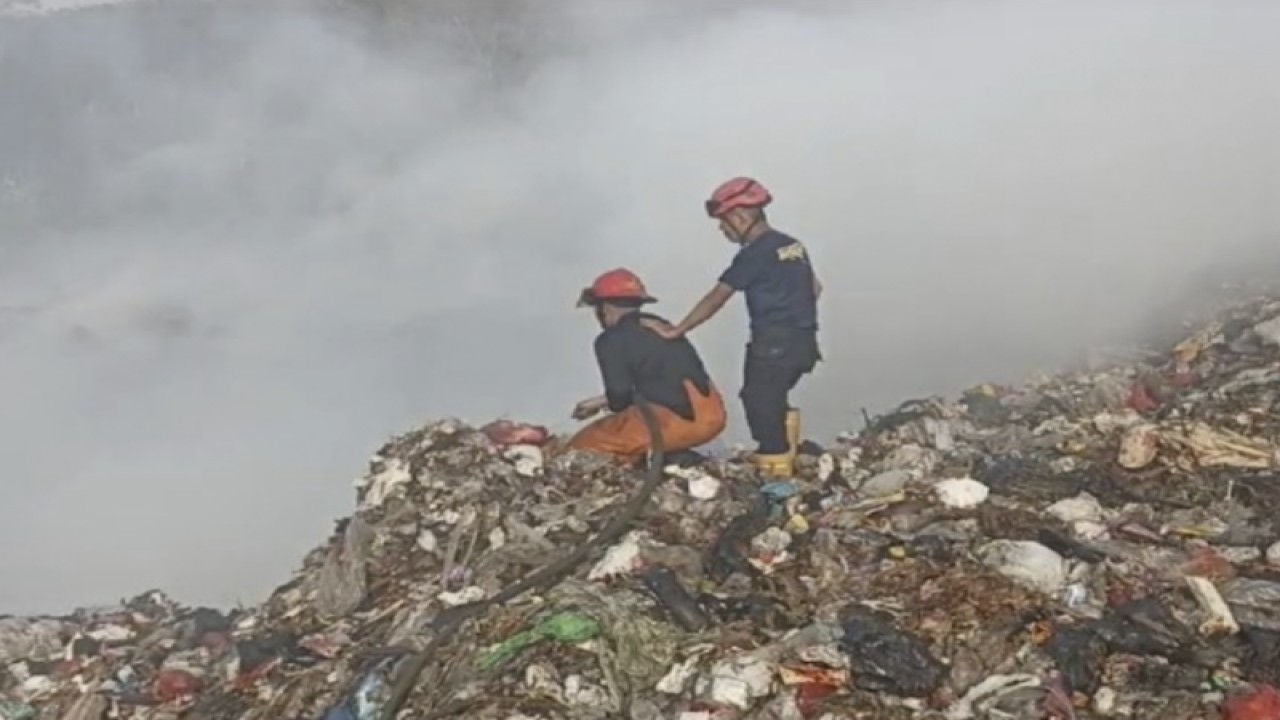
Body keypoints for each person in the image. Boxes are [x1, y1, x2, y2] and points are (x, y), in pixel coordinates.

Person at [644, 177, 821, 477]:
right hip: (805, 341)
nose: (722, 229)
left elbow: (717, 298)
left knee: (759, 402)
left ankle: (777, 478)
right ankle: (788, 457)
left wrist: (678, 330)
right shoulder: (791, 245)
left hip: (773, 342)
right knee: (774, 398)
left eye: (724, 222)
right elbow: (815, 288)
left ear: (740, 216)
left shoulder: (754, 254)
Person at [567, 268, 728, 461]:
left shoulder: (610, 339)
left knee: (583, 446)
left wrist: (607, 404)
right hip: (712, 416)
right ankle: (673, 458)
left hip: (675, 422)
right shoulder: (660, 325)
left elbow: (620, 399)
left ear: (605, 307)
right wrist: (598, 402)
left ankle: (654, 462)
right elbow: (662, 381)